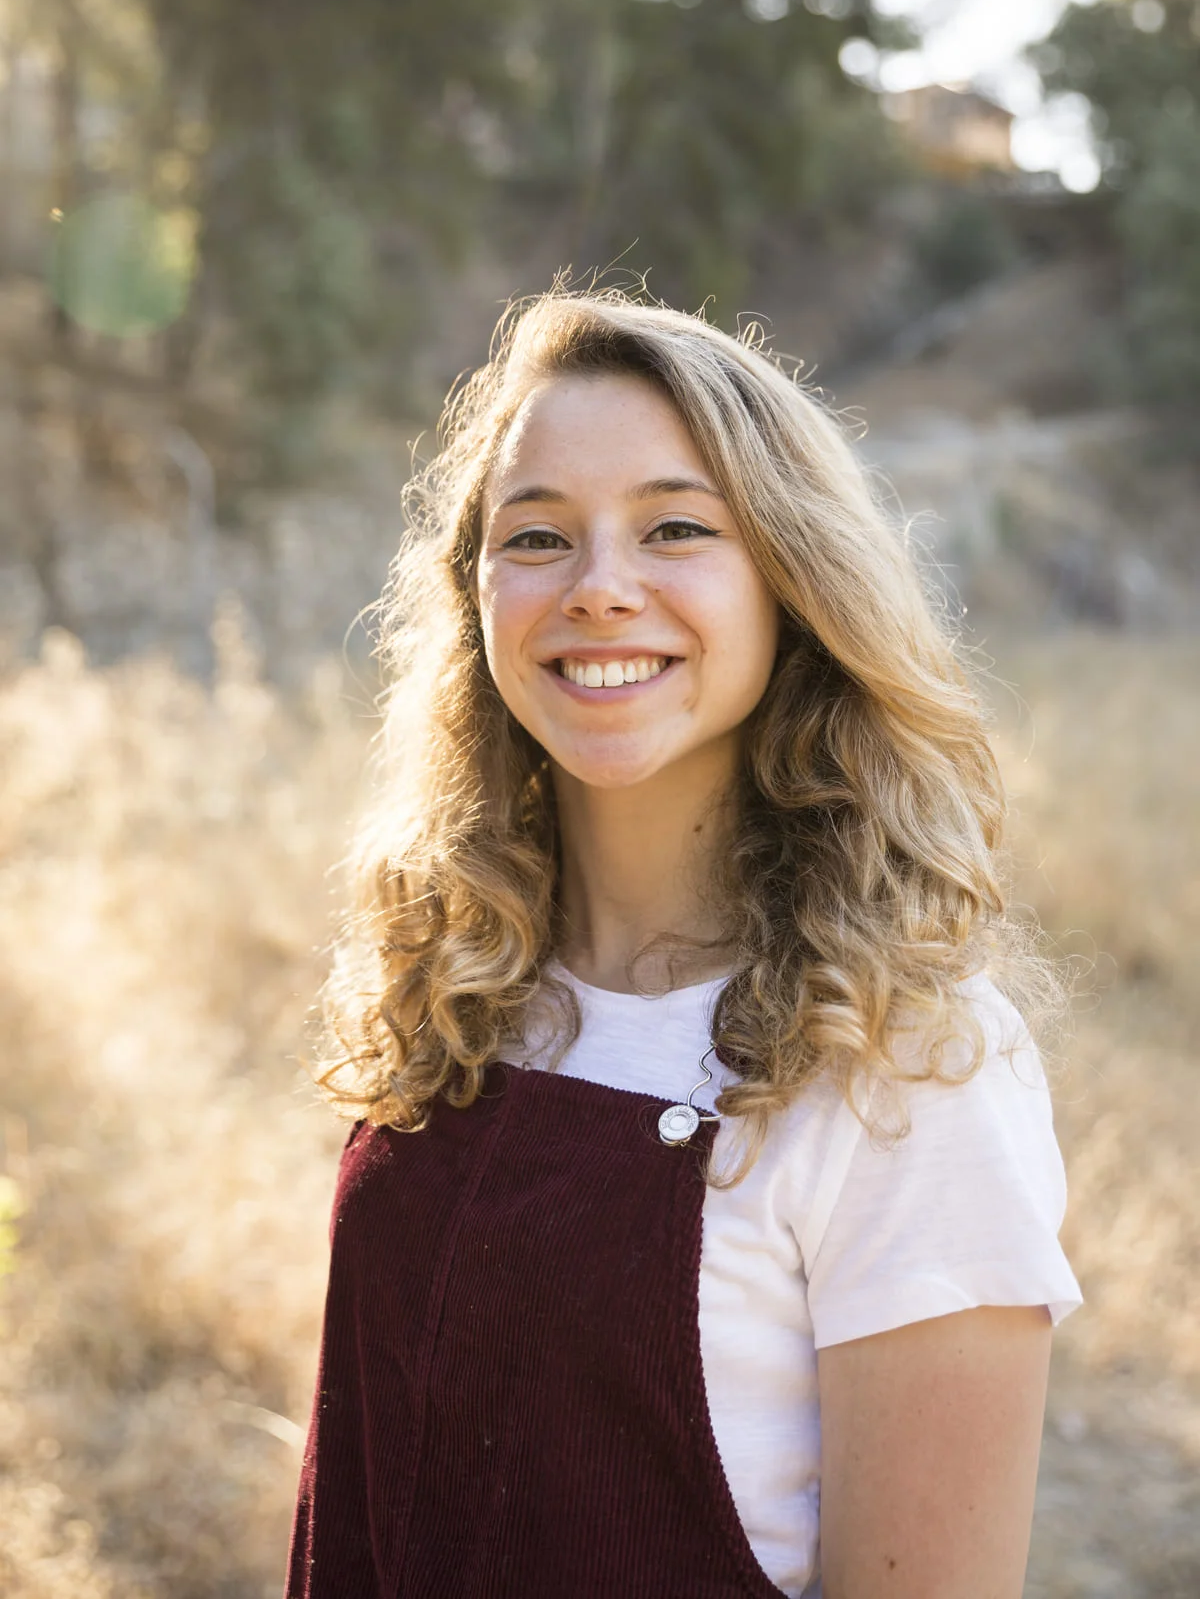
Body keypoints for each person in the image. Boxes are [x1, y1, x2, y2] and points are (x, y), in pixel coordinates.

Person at [285, 283, 1082, 1599]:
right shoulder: (464, 981)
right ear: (477, 595)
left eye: (674, 527)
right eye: (535, 538)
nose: (601, 590)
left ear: (789, 579)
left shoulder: (910, 1071)